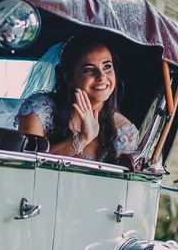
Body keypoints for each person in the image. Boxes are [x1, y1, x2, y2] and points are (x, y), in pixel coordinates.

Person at [15, 32, 138, 162]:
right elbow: (27, 163)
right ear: (68, 78)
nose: (102, 77)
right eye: (89, 69)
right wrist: (82, 139)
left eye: (107, 67)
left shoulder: (124, 131)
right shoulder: (40, 109)